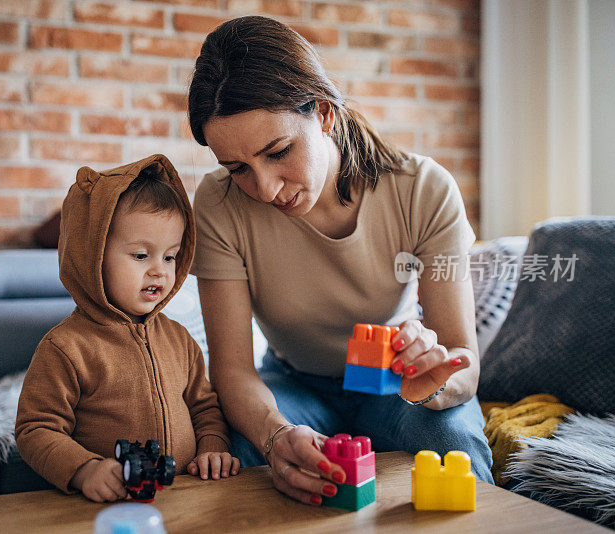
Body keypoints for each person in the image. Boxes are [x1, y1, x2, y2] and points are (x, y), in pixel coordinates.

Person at [186, 15, 494, 506]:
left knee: (451, 443)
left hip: (397, 383)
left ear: (325, 113)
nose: (264, 189)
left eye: (279, 151)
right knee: (241, 450)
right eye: (237, 168)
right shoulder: (220, 205)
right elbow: (233, 370)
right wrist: (274, 435)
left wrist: (432, 384)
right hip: (293, 383)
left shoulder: (423, 190)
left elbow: (463, 359)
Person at [15, 154, 239, 503]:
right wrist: (84, 470)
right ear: (93, 257)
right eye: (140, 256)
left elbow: (205, 409)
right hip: (104, 505)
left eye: (170, 256)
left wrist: (213, 447)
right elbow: (36, 429)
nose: (160, 271)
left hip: (186, 497)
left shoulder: (180, 340)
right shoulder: (65, 347)